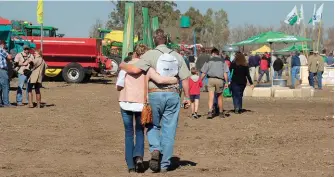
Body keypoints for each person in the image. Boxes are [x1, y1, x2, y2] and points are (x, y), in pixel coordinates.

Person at [119, 29, 191, 173]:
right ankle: (164, 165)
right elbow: (185, 78)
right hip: (173, 95)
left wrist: (122, 65)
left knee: (152, 125)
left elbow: (134, 70)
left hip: (154, 94)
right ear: (167, 40)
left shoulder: (149, 55)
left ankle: (156, 148)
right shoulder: (177, 56)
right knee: (169, 129)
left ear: (154, 40)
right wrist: (187, 97)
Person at [200, 48, 229, 119]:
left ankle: (210, 111)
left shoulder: (208, 61)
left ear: (212, 53)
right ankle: (221, 112)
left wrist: (200, 80)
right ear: (218, 53)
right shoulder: (222, 61)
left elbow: (204, 72)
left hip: (210, 80)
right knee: (219, 96)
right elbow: (225, 73)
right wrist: (226, 82)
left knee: (211, 96)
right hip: (220, 80)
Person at [0, 41, 13, 107]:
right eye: (5, 44)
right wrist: (10, 55)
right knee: (5, 86)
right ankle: (6, 103)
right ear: (2, 44)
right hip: (2, 70)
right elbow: (9, 57)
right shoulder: (1, 50)